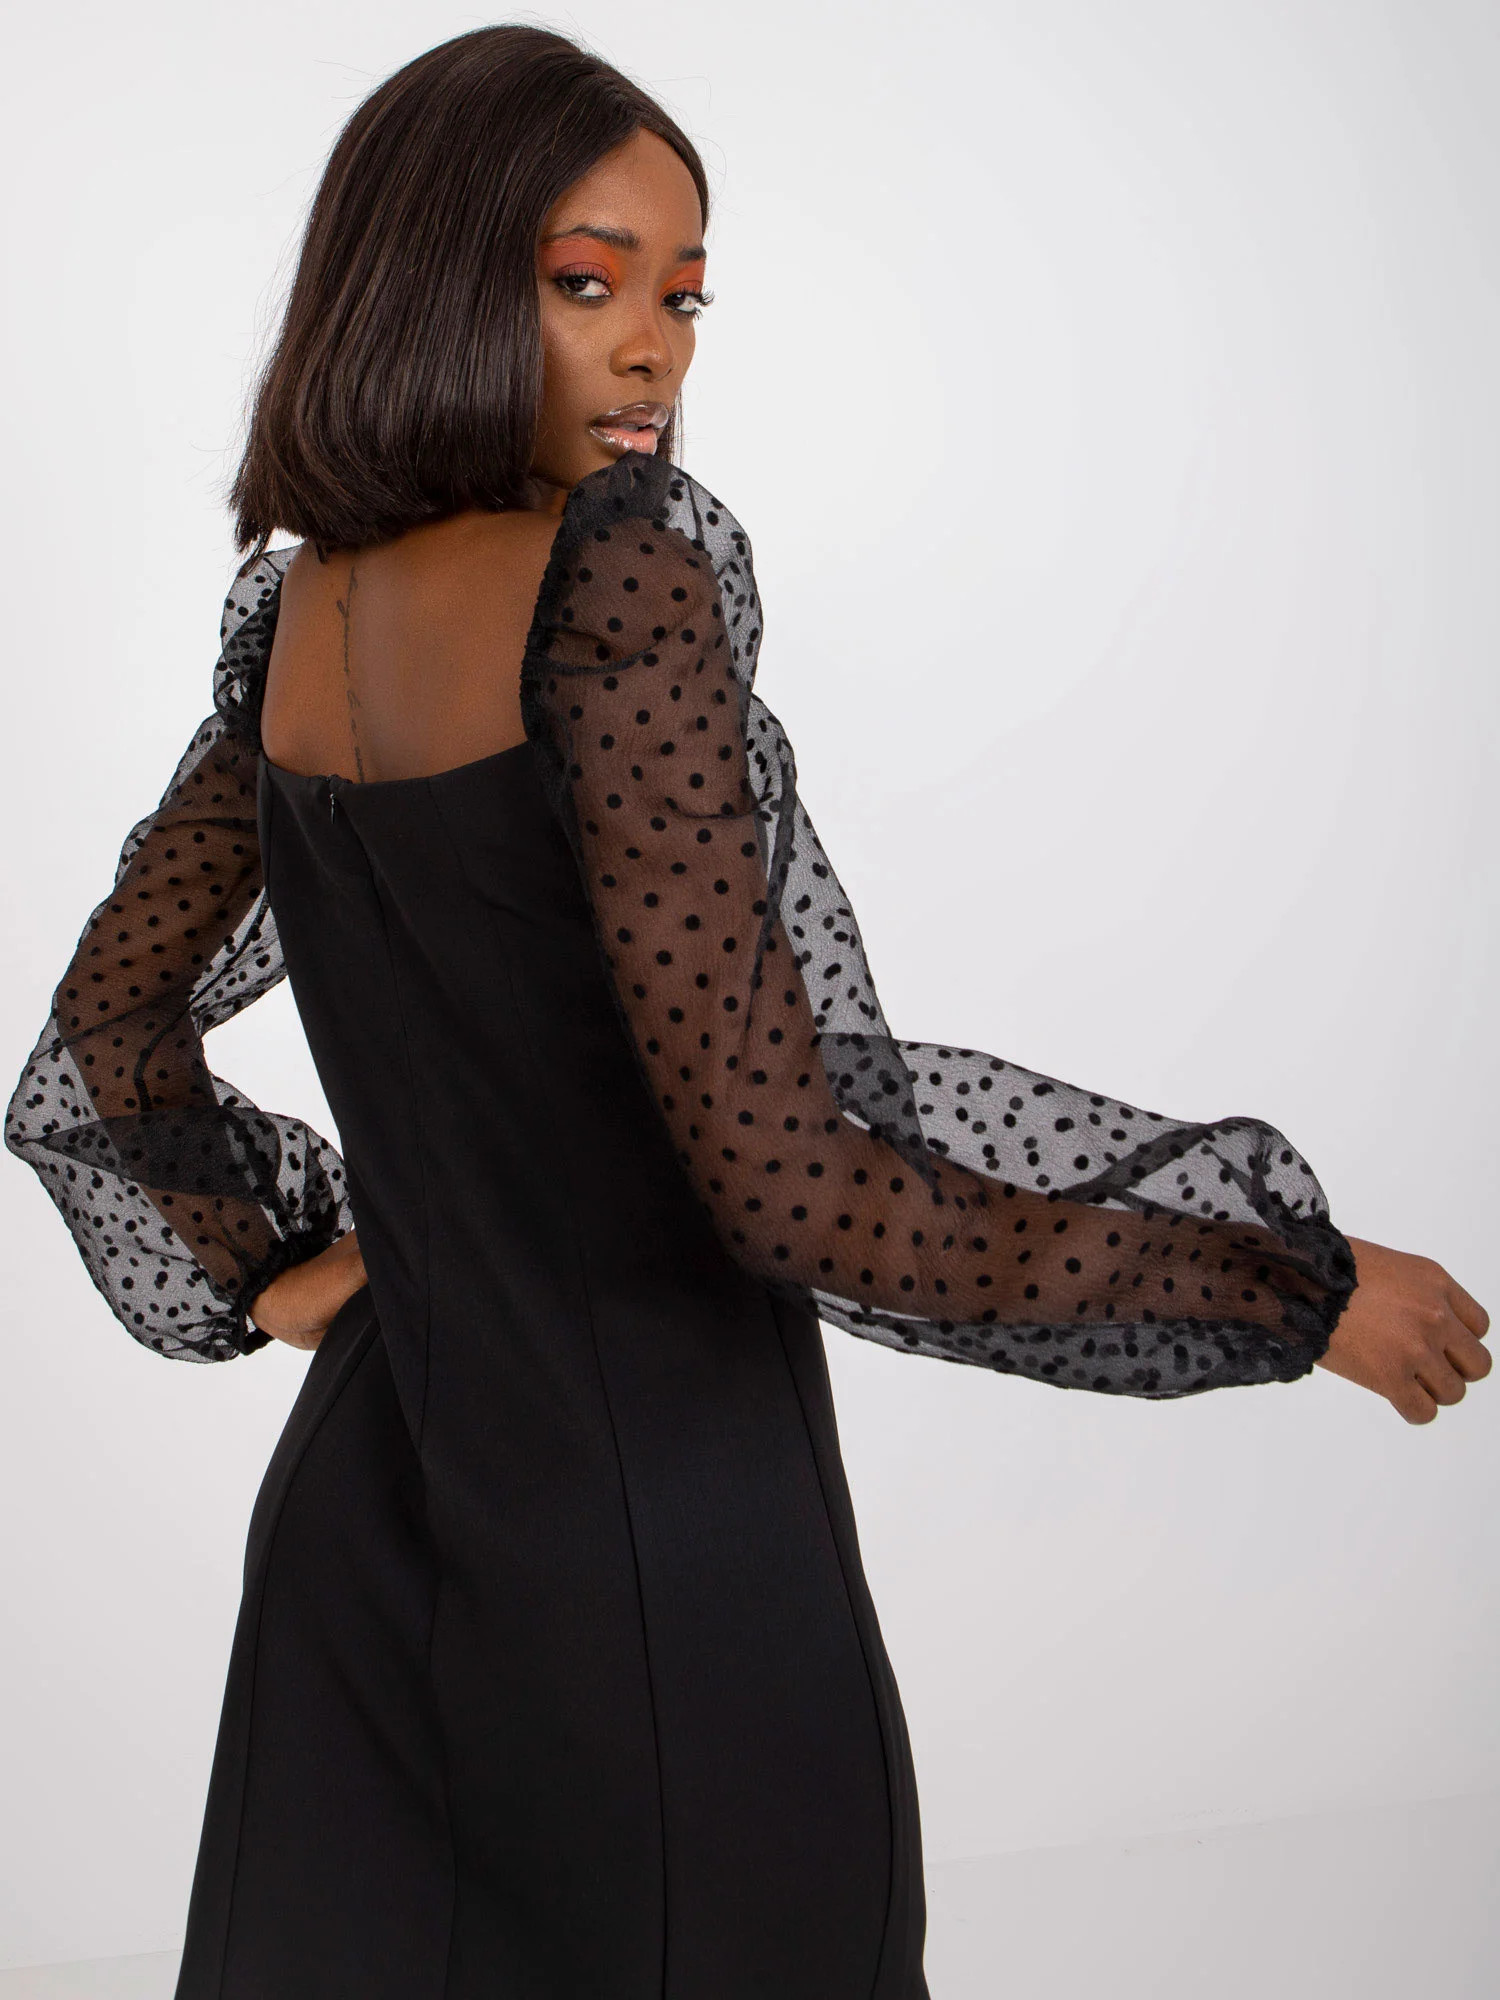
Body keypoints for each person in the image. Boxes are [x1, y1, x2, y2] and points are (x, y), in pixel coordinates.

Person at [6, 23, 1490, 1999]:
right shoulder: (615, 594)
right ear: (433, 277)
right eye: (589, 281)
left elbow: (105, 1042)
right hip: (659, 1546)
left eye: (684, 298)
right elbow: (797, 1179)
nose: (654, 351)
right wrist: (1285, 1286)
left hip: (372, 1529)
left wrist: (295, 1274)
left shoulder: (303, 617)